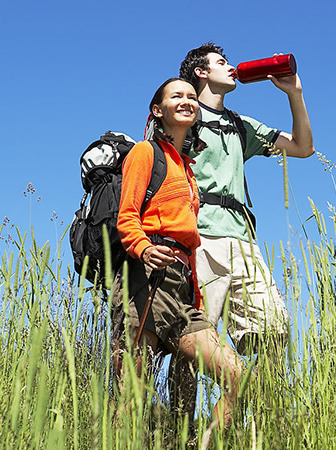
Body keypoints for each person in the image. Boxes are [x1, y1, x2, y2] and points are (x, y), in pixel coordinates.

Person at [168, 42, 315, 421]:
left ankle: (257, 423)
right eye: (221, 62)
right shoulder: (183, 114)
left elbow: (303, 147)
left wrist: (294, 94)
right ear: (201, 72)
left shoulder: (239, 125)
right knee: (197, 340)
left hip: (244, 243)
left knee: (273, 330)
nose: (231, 67)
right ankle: (179, 430)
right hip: (199, 240)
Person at [111, 77, 244, 429]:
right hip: (146, 281)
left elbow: (190, 242)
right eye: (176, 96)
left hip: (182, 289)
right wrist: (142, 248)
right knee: (132, 397)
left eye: (190, 96)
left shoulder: (188, 170)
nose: (186, 100)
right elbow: (127, 216)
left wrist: (195, 293)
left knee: (237, 375)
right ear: (158, 110)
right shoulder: (145, 153)